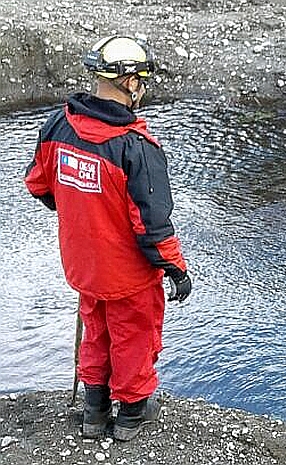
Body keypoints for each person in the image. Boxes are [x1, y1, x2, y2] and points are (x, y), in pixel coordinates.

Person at [24, 36, 192, 441]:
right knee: (134, 336)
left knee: (95, 330)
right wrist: (177, 270)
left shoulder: (59, 126)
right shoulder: (135, 146)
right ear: (130, 83)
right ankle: (132, 414)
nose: (143, 89)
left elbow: (39, 184)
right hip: (127, 274)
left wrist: (82, 211)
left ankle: (95, 411)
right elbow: (153, 228)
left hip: (83, 263)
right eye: (142, 81)